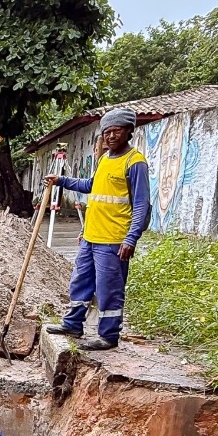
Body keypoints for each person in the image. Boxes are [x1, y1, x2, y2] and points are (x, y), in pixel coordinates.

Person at [44, 107, 150, 351]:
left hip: (113, 239)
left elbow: (142, 205)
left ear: (129, 131)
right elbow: (92, 186)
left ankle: (108, 336)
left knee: (109, 289)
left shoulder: (135, 163)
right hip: (91, 236)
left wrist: (130, 239)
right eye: (107, 132)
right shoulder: (104, 159)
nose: (111, 136)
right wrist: (61, 180)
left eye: (117, 131)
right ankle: (73, 323)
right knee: (80, 283)